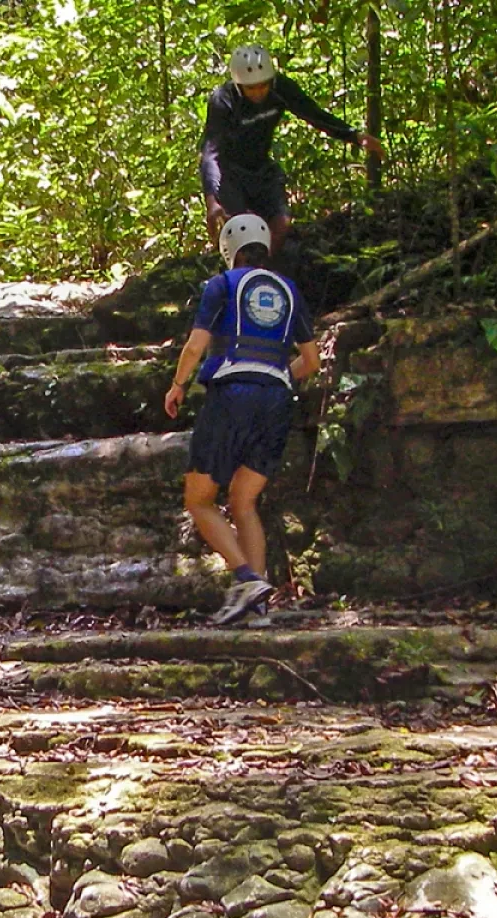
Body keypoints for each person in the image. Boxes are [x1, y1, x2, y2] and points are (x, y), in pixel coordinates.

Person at [164, 214, 320, 626]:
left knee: (199, 500)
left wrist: (178, 385)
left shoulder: (222, 285)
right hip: (277, 399)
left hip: (232, 395)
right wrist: (278, 375)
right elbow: (311, 361)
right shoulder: (288, 290)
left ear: (228, 248)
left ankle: (247, 578)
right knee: (244, 501)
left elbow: (197, 344)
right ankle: (259, 610)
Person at [199, 45, 384, 257]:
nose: (259, 92)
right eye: (251, 88)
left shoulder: (280, 88)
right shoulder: (224, 100)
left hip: (261, 168)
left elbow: (313, 114)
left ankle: (267, 269)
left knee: (281, 224)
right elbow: (210, 152)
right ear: (239, 86)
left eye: (263, 86)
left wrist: (355, 136)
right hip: (230, 174)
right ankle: (240, 276)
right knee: (242, 232)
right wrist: (212, 201)